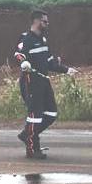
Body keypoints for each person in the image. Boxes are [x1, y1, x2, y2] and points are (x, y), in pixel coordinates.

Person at [13, 10, 77, 159]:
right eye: (45, 22)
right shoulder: (26, 39)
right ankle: (32, 149)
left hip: (44, 81)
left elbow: (50, 63)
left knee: (51, 113)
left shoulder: (43, 40)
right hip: (31, 83)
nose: (47, 24)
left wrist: (67, 70)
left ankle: (26, 134)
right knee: (35, 116)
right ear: (36, 21)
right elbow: (18, 54)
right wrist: (24, 62)